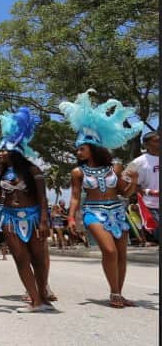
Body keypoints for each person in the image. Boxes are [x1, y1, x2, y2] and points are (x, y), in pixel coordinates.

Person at [60, 90, 142, 308]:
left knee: (122, 255)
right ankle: (115, 292)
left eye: (81, 148)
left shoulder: (115, 167)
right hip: (93, 212)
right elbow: (76, 197)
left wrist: (133, 181)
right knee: (110, 250)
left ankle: (117, 293)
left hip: (117, 211)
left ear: (93, 148)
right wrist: (71, 218)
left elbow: (125, 193)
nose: (78, 152)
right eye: (77, 148)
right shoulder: (78, 172)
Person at [0, 107, 54, 313]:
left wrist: (44, 221)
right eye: (0, 150)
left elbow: (42, 197)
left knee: (39, 259)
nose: (1, 154)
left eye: (4, 150)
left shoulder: (33, 170)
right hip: (9, 218)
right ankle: (35, 300)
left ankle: (43, 297)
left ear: (15, 152)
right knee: (20, 258)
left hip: (34, 216)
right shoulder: (0, 174)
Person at [128, 131, 159, 242]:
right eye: (156, 141)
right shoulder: (137, 162)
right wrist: (147, 191)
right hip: (151, 206)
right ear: (146, 145)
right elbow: (126, 181)